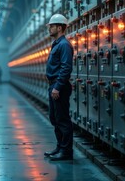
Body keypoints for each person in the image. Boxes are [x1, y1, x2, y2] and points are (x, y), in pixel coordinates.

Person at [44, 14, 74, 161]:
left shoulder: (64, 45)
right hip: (54, 86)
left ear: (60, 27)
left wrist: (58, 87)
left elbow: (66, 67)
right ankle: (60, 147)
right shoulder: (56, 44)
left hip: (58, 86)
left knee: (62, 119)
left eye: (52, 26)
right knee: (55, 118)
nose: (49, 28)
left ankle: (66, 151)